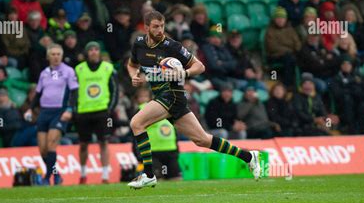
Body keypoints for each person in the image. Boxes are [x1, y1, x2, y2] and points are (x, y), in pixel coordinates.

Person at [126, 11, 261, 189]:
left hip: (172, 95)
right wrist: (134, 76)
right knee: (202, 140)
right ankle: (249, 156)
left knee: (137, 123)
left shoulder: (172, 46)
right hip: (162, 97)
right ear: (146, 27)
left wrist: (184, 73)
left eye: (162, 26)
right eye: (156, 27)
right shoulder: (139, 44)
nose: (160, 30)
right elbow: (132, 64)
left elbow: (200, 66)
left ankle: (149, 174)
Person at [23, 44, 79, 185]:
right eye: (53, 54)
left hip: (60, 111)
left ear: (61, 55)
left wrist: (70, 110)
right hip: (44, 112)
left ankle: (47, 178)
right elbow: (38, 93)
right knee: (42, 149)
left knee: (51, 145)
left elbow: (74, 92)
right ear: (48, 56)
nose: (55, 57)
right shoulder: (44, 73)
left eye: (58, 54)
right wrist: (30, 109)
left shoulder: (68, 71)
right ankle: (56, 174)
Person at [74, 41, 119, 185]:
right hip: (83, 111)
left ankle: (105, 175)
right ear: (87, 52)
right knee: (83, 144)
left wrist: (110, 109)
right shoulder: (79, 69)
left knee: (104, 142)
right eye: (91, 49)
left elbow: (115, 90)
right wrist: (74, 109)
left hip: (102, 111)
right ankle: (82, 174)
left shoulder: (108, 68)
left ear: (99, 52)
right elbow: (72, 91)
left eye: (96, 49)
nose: (93, 52)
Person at [133, 87, 181, 180]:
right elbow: (136, 131)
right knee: (157, 179)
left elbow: (175, 129)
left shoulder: (171, 107)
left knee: (176, 178)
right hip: (153, 152)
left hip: (171, 150)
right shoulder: (142, 109)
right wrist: (138, 153)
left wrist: (177, 147)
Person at [329, 55, 364, 134]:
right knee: (348, 101)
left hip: (359, 103)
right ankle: (350, 131)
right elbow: (337, 93)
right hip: (344, 106)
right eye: (344, 64)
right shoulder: (336, 78)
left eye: (348, 64)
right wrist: (350, 91)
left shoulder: (360, 77)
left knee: (363, 106)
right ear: (340, 66)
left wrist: (357, 92)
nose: (346, 66)